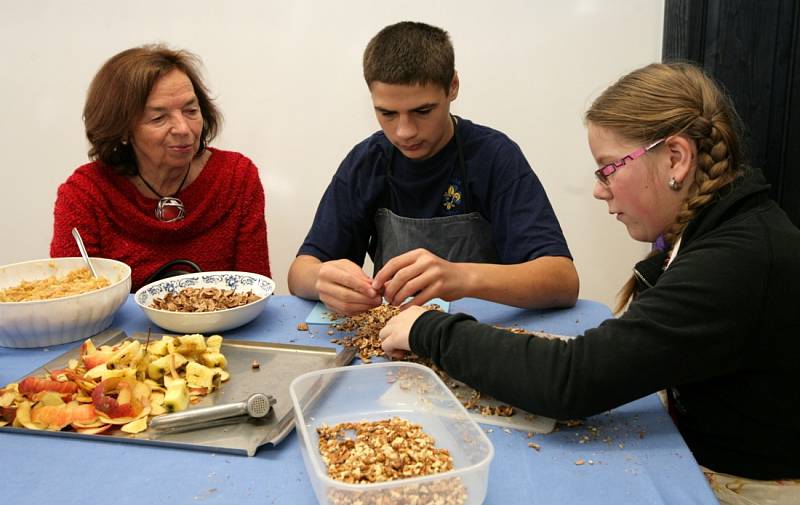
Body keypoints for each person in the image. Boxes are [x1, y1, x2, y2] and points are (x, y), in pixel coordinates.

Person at [380, 62, 800, 503]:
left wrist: (428, 329)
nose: (600, 190)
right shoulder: (722, 227)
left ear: (675, 157)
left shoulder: (735, 260)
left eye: (608, 168)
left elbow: (571, 380)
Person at [288, 21, 578, 315]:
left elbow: (562, 280)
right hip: (398, 339)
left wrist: (462, 277)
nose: (404, 131)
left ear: (452, 87)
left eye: (422, 111)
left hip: (481, 338)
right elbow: (301, 272)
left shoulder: (494, 157)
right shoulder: (367, 161)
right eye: (387, 113)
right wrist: (322, 281)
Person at [50, 45, 271, 291]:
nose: (183, 129)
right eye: (158, 118)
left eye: (191, 111)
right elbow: (76, 302)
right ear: (122, 129)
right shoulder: (86, 194)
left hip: (223, 330)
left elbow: (258, 292)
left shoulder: (236, 177)